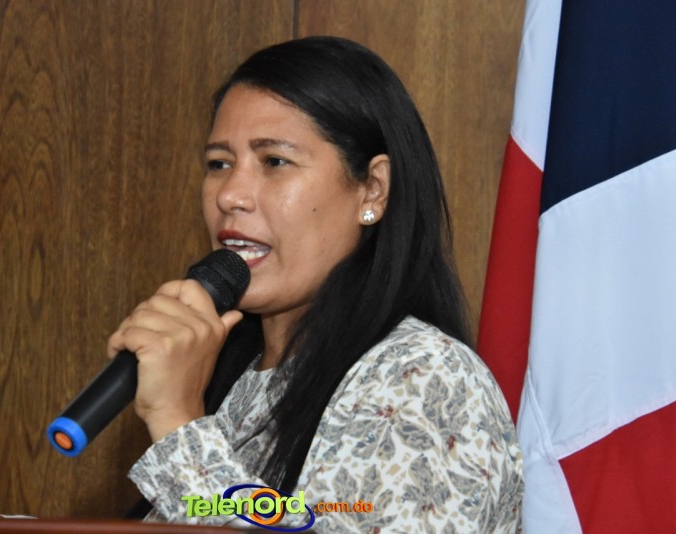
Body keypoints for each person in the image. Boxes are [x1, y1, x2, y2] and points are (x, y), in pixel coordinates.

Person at [109, 36, 523, 532]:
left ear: (373, 190)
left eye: (274, 161)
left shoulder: (424, 376)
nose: (230, 195)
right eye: (219, 164)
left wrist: (179, 426)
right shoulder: (229, 376)